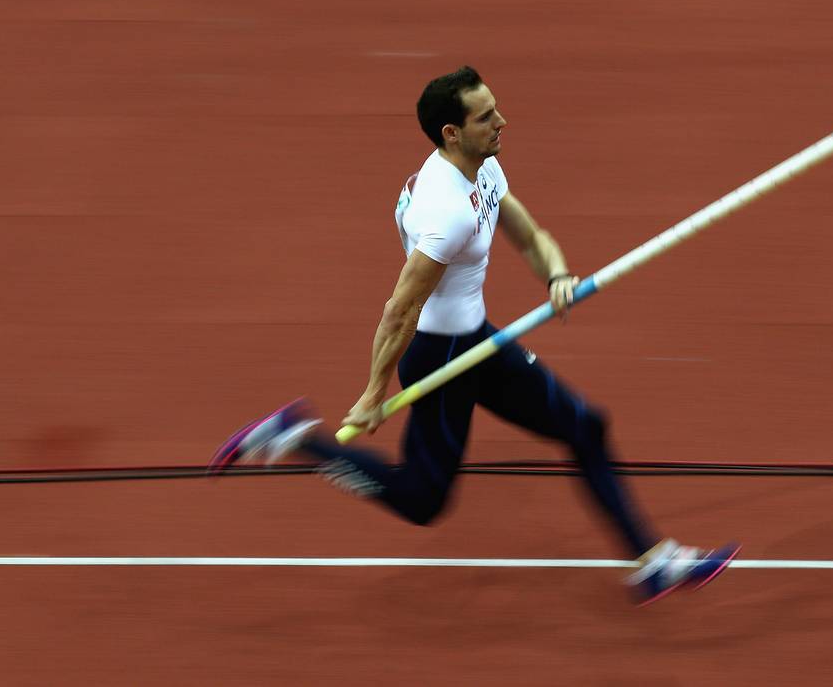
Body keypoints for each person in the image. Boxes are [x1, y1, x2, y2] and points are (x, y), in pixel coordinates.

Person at [209, 66, 738, 605]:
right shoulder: (446, 214)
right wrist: (372, 395)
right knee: (422, 502)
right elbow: (400, 310)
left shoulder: (481, 170)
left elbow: (531, 237)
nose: (502, 122)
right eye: (487, 117)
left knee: (585, 427)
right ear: (451, 133)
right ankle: (298, 439)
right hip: (441, 361)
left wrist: (556, 275)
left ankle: (651, 562)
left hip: (479, 344)